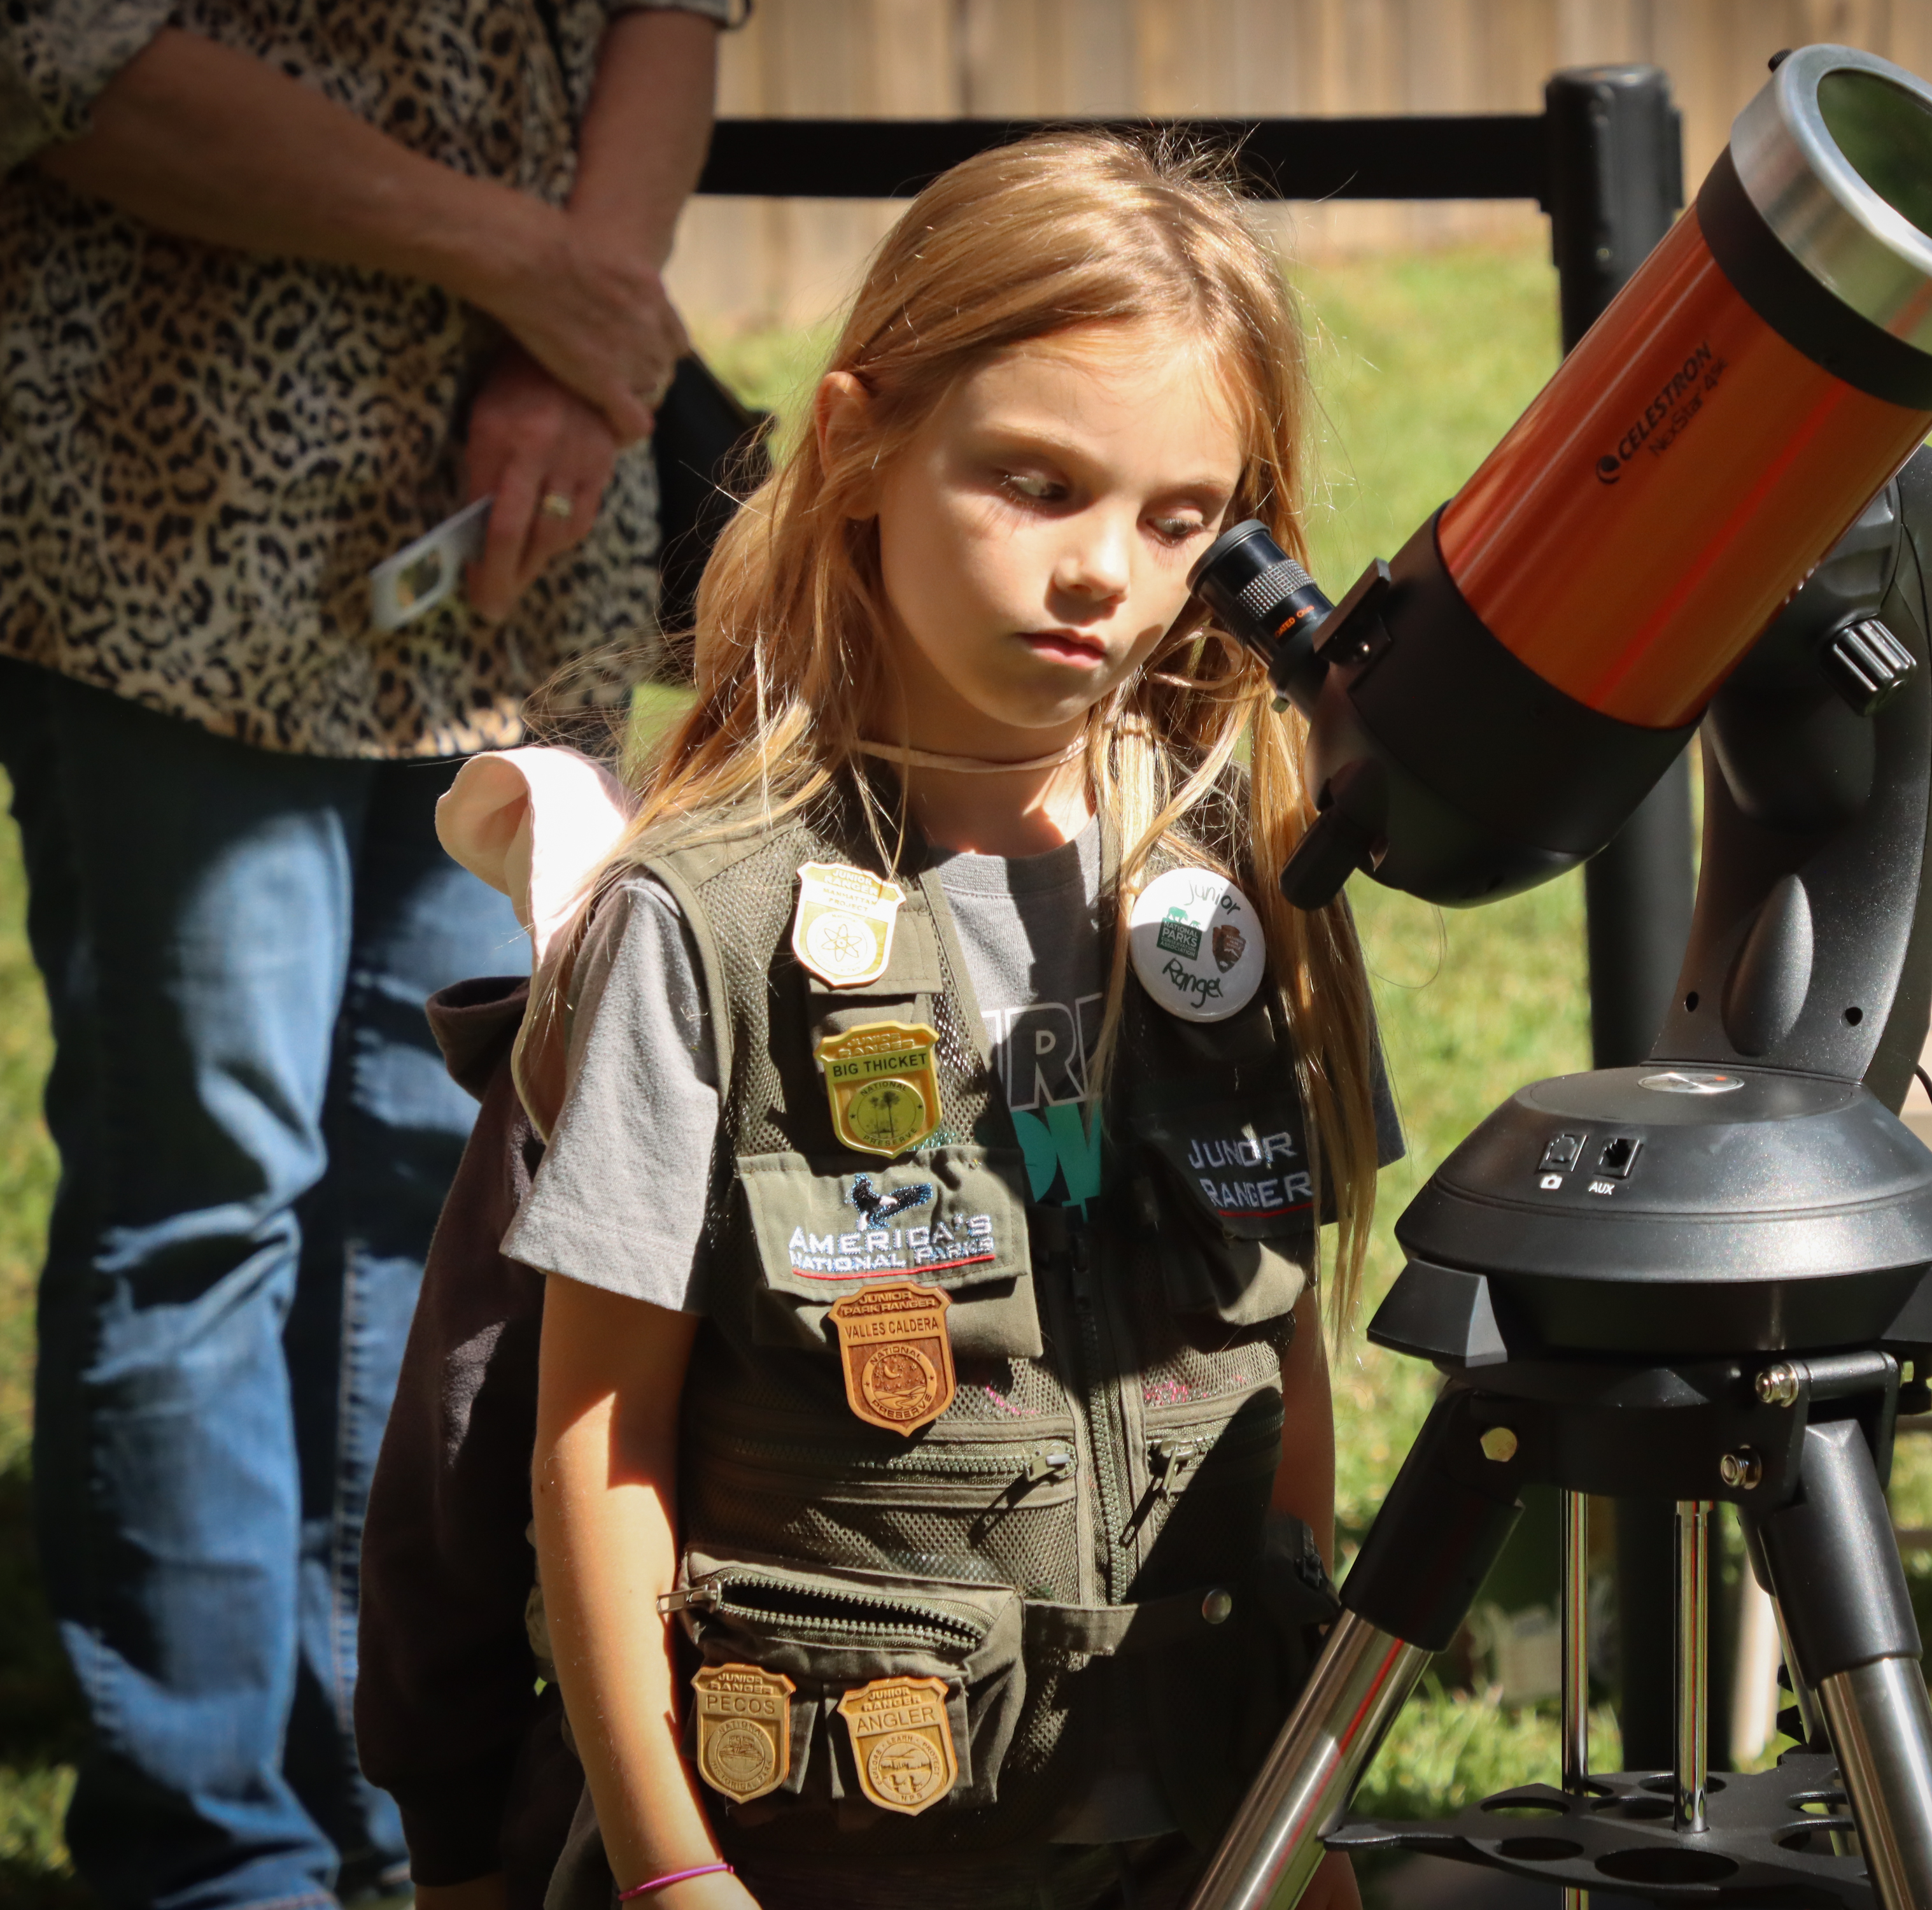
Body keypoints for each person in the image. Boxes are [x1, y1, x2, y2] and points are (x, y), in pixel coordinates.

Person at [490, 133, 1393, 1910]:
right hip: (824, 1848)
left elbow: (1279, 1380)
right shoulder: (710, 921)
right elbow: (597, 1445)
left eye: (1179, 519)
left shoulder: (1230, 892)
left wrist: (1304, 1825)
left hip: (1193, 1847)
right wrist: (670, 1872)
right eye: (1035, 483)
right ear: (856, 442)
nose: (1105, 575)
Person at [0, 5, 726, 1905]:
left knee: (449, 1186)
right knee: (206, 1198)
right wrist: (539, 272)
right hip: (168, 523)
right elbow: (59, 52)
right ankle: (213, 1853)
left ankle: (395, 1808)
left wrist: (583, 353)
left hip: (526, 528)